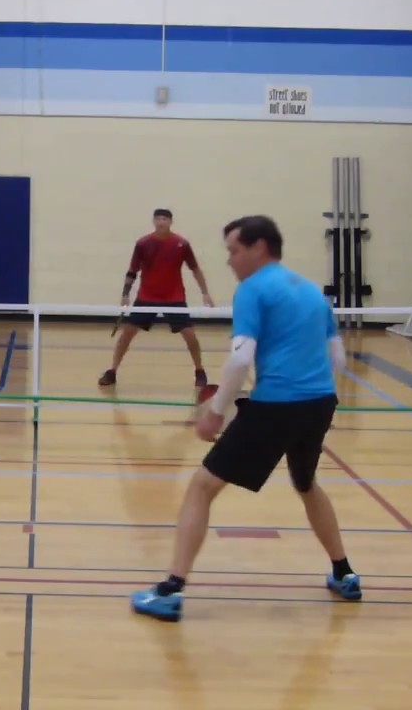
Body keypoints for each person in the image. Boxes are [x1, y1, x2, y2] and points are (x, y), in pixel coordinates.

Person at [129, 215, 360, 623]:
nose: (230, 260)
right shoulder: (312, 291)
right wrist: (313, 395)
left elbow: (240, 359)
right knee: (306, 482)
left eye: (234, 251)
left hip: (276, 406)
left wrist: (215, 411)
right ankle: (344, 573)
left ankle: (170, 590)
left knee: (202, 487)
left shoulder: (252, 290)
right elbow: (338, 358)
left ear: (260, 248)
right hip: (321, 402)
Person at [99, 209, 213, 389]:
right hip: (147, 296)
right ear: (153, 221)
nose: (161, 222)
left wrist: (205, 293)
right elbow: (132, 271)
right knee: (127, 334)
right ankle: (112, 371)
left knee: (190, 335)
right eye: (158, 218)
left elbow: (195, 269)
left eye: (165, 219)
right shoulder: (143, 243)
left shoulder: (182, 244)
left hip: (174, 297)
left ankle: (200, 371)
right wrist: (125, 294)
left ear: (170, 222)